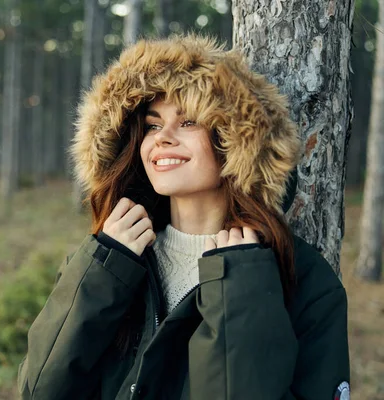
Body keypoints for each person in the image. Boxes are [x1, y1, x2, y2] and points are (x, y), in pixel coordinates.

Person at [17, 34, 350, 400]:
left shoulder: (302, 277)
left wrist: (240, 296)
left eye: (189, 122)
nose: (162, 138)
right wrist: (101, 273)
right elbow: (39, 391)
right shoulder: (112, 260)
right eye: (152, 125)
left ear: (236, 140)